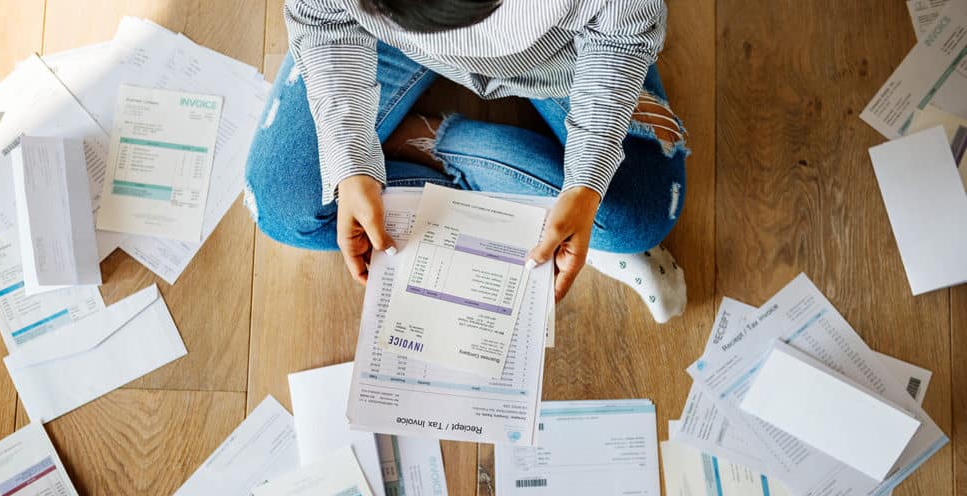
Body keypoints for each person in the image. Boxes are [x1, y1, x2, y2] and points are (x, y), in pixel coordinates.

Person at [245, 0, 689, 322]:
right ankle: (555, 222)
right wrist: (350, 160)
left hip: (560, 55)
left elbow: (622, 36)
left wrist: (587, 182)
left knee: (641, 215)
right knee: (283, 204)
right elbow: (322, 19)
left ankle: (419, 139)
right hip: (385, 41)